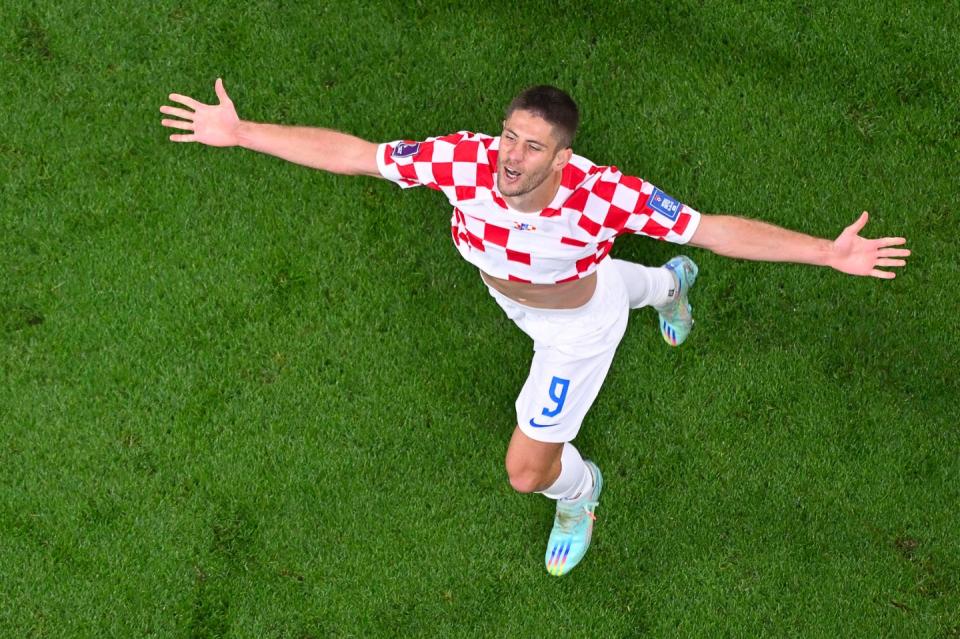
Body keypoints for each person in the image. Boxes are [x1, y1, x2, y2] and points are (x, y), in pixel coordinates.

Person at [160, 80, 910, 576]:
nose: (510, 158)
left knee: (526, 470)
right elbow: (355, 154)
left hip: (574, 328)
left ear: (564, 155)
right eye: (509, 137)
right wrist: (241, 131)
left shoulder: (603, 195)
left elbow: (714, 227)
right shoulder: (464, 160)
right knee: (633, 281)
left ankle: (578, 490)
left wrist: (825, 251)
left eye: (531, 147)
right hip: (519, 295)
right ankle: (669, 286)